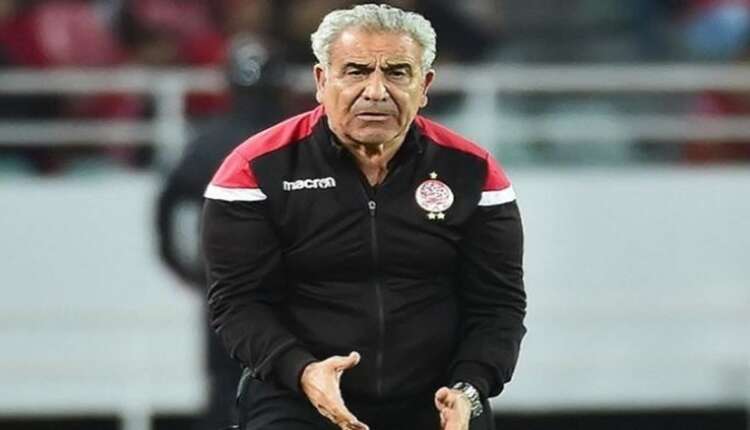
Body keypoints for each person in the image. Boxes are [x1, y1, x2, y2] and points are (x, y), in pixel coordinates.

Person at [201, 4, 526, 430]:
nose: (376, 91)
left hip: (440, 402)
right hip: (294, 397)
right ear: (322, 81)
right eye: (356, 71)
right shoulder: (253, 170)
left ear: (424, 86)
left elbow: (498, 308)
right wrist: (303, 372)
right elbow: (238, 303)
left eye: (397, 73)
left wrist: (469, 389)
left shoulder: (475, 173)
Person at [156, 36, 290, 430]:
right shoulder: (301, 139)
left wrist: (184, 266)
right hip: (290, 288)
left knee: (223, 389)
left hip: (225, 287)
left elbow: (167, 206)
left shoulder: (208, 143)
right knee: (289, 386)